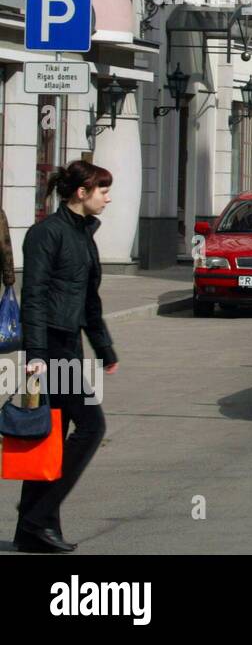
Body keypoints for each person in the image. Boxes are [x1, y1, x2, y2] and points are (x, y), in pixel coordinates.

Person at [14, 161, 118, 554]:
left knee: (53, 437)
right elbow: (35, 295)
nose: (108, 197)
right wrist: (36, 354)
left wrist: (103, 347)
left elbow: (89, 299)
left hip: (69, 343)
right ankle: (37, 516)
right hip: (51, 346)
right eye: (102, 190)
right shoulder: (46, 234)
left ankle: (33, 528)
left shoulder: (84, 236)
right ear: (82, 192)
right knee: (91, 426)